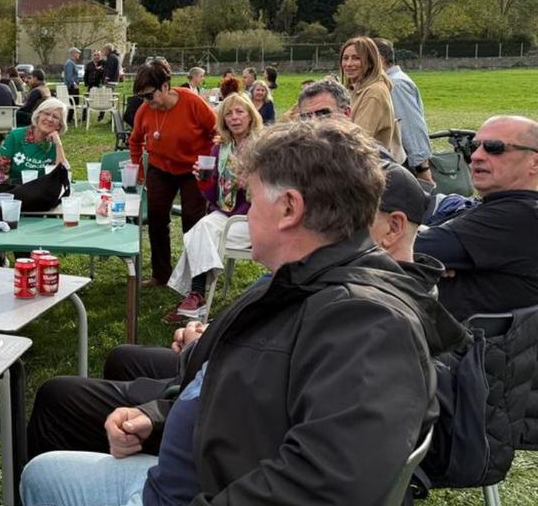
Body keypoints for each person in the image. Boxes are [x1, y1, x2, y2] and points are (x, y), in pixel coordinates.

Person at [0, 119, 449, 506]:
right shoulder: (301, 283)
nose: (244, 210)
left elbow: (332, 483)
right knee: (42, 474)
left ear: (289, 208)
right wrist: (156, 416)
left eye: (251, 198)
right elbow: (230, 389)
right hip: (192, 494)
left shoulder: (366, 321)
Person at [24, 157, 449, 462]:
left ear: (393, 227)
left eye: (352, 215)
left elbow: (267, 409)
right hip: (215, 414)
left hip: (216, 447)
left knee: (58, 397)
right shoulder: (357, 287)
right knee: (121, 357)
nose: (333, 224)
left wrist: (165, 409)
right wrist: (210, 339)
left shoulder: (362, 312)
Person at [415, 115, 538, 320]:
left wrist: (421, 260)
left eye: (494, 148)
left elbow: (404, 250)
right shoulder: (501, 208)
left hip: (452, 339)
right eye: (473, 146)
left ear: (534, 162)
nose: (476, 156)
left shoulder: (515, 216)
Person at [163, 91, 263, 322]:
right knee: (201, 229)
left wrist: (251, 183)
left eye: (239, 112)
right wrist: (203, 181)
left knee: (201, 233)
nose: (234, 117)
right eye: (228, 114)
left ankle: (195, 296)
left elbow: (274, 190)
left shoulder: (263, 147)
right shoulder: (220, 149)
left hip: (255, 218)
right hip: (226, 213)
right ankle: (196, 297)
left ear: (250, 115)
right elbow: (213, 198)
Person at [129, 59, 216, 287]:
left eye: (149, 95)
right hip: (160, 168)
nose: (146, 101)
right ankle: (161, 274)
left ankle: (197, 277)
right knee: (156, 218)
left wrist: (209, 162)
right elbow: (135, 140)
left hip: (192, 169)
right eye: (142, 97)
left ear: (165, 86)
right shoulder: (145, 111)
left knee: (193, 220)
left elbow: (216, 131)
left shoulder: (192, 102)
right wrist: (139, 170)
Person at [375, 38, 432, 180]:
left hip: (405, 167)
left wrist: (422, 168)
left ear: (380, 59)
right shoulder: (384, 83)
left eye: (360, 58)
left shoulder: (396, 84)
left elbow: (411, 128)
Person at [341, 35, 404, 162]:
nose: (349, 64)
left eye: (356, 58)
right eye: (345, 58)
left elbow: (358, 138)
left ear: (370, 62)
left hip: (367, 165)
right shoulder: (355, 88)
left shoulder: (374, 92)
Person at [0, 97, 69, 187]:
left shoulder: (55, 143)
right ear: (38, 116)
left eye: (55, 117)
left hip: (43, 192)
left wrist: (59, 145)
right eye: (46, 113)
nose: (50, 119)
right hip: (14, 190)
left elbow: (63, 178)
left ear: (59, 125)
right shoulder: (16, 136)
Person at [62, 47, 81, 122]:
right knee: (73, 102)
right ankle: (69, 118)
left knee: (74, 103)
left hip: (72, 86)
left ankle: (70, 118)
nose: (79, 55)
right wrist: (74, 84)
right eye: (78, 53)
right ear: (73, 54)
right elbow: (69, 76)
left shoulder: (71, 62)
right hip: (71, 87)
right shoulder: (70, 63)